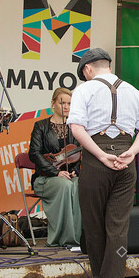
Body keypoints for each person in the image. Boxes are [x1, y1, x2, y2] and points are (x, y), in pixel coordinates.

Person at [67, 48, 139, 278]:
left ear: (87, 69)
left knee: (94, 225)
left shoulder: (84, 89)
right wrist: (132, 153)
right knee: (118, 227)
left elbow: (77, 128)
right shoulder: (133, 91)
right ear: (107, 65)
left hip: (97, 157)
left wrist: (101, 155)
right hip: (127, 158)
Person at [28, 87, 82, 247]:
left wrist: (74, 171)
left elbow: (78, 157)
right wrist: (56, 172)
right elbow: (34, 154)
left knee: (80, 184)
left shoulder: (74, 127)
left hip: (67, 178)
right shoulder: (41, 126)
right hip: (45, 178)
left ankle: (77, 238)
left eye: (69, 104)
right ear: (53, 104)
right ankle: (63, 238)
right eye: (62, 103)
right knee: (64, 185)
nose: (66, 107)